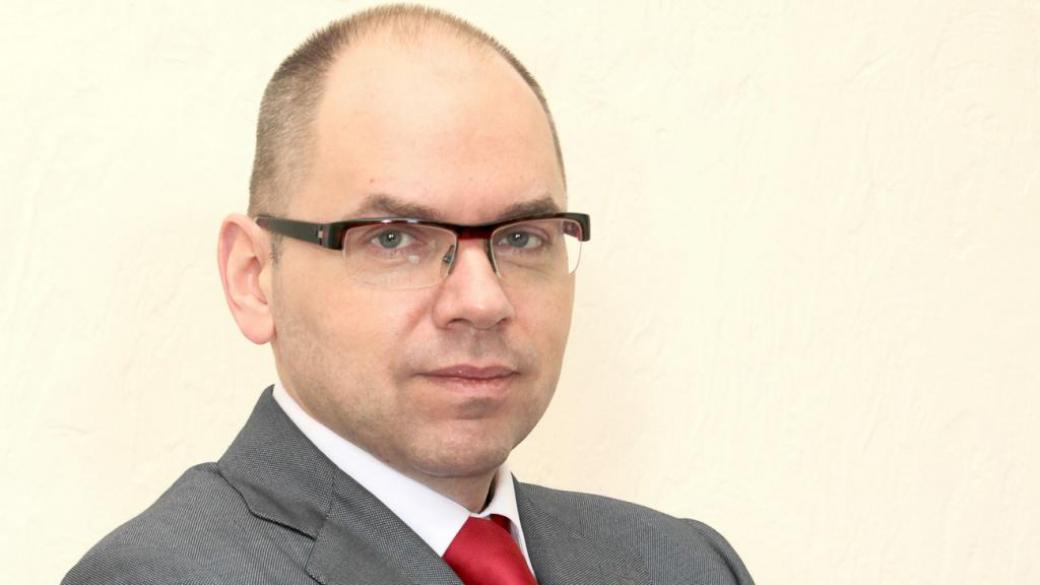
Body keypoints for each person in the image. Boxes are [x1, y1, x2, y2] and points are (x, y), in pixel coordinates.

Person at [63, 5, 754, 584]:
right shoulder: (161, 575)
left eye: (522, 237)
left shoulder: (682, 565)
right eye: (394, 238)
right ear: (254, 277)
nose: (481, 301)